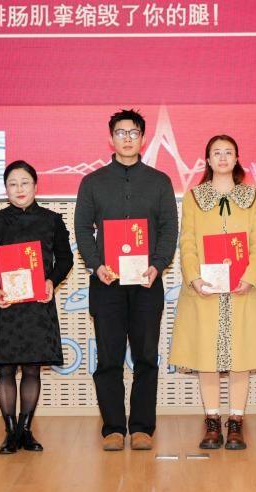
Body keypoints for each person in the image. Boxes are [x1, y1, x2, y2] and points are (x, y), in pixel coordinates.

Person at [74, 109, 178, 451]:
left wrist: (158, 265)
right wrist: (95, 265)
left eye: (133, 132)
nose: (127, 138)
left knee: (146, 357)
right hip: (107, 284)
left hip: (147, 283)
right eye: (121, 132)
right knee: (109, 358)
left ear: (143, 138)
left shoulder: (160, 181)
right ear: (111, 138)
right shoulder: (92, 182)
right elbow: (82, 229)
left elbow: (169, 229)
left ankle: (143, 428)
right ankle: (114, 429)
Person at [169, 135, 256, 450]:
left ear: (237, 158)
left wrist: (250, 277)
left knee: (241, 356)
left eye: (228, 152)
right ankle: (212, 420)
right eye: (217, 153)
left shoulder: (252, 196)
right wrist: (194, 277)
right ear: (208, 160)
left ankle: (236, 421)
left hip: (242, 289)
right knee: (207, 356)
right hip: (206, 290)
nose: (223, 157)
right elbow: (187, 240)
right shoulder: (194, 197)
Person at [0, 160, 73, 454]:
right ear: (5, 189)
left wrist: (51, 281)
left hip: (37, 305)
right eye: (12, 184)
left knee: (32, 369)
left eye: (25, 183)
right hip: (5, 303)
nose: (19, 189)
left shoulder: (52, 221)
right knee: (4, 369)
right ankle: (10, 432)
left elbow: (65, 259)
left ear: (35, 186)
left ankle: (25, 430)